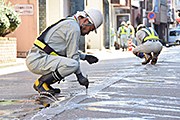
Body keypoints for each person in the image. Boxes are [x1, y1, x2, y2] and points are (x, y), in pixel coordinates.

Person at [26, 8, 104, 95]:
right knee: (72, 64)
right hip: (38, 59)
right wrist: (80, 76)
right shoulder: (74, 28)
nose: (88, 33)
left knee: (70, 63)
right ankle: (41, 83)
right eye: (90, 29)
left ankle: (46, 84)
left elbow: (67, 50)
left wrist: (84, 57)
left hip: (37, 57)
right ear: (86, 21)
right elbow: (72, 56)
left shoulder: (70, 23)